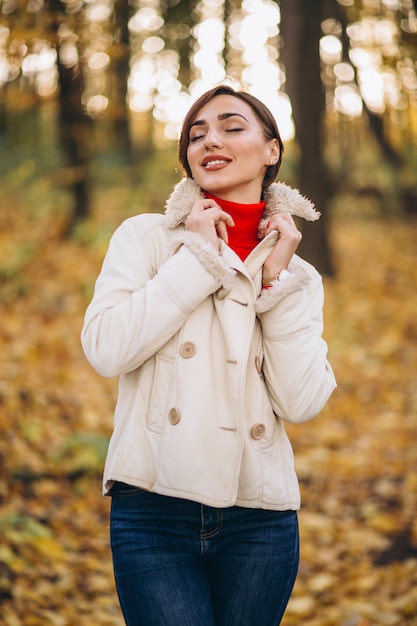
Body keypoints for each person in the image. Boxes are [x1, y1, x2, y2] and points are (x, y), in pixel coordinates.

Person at [81, 84, 336, 626]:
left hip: (260, 519)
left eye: (231, 126)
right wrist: (197, 260)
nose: (209, 141)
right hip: (153, 507)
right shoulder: (148, 239)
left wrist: (276, 282)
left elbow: (302, 402)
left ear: (272, 150)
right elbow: (106, 349)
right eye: (196, 135)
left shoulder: (298, 277)